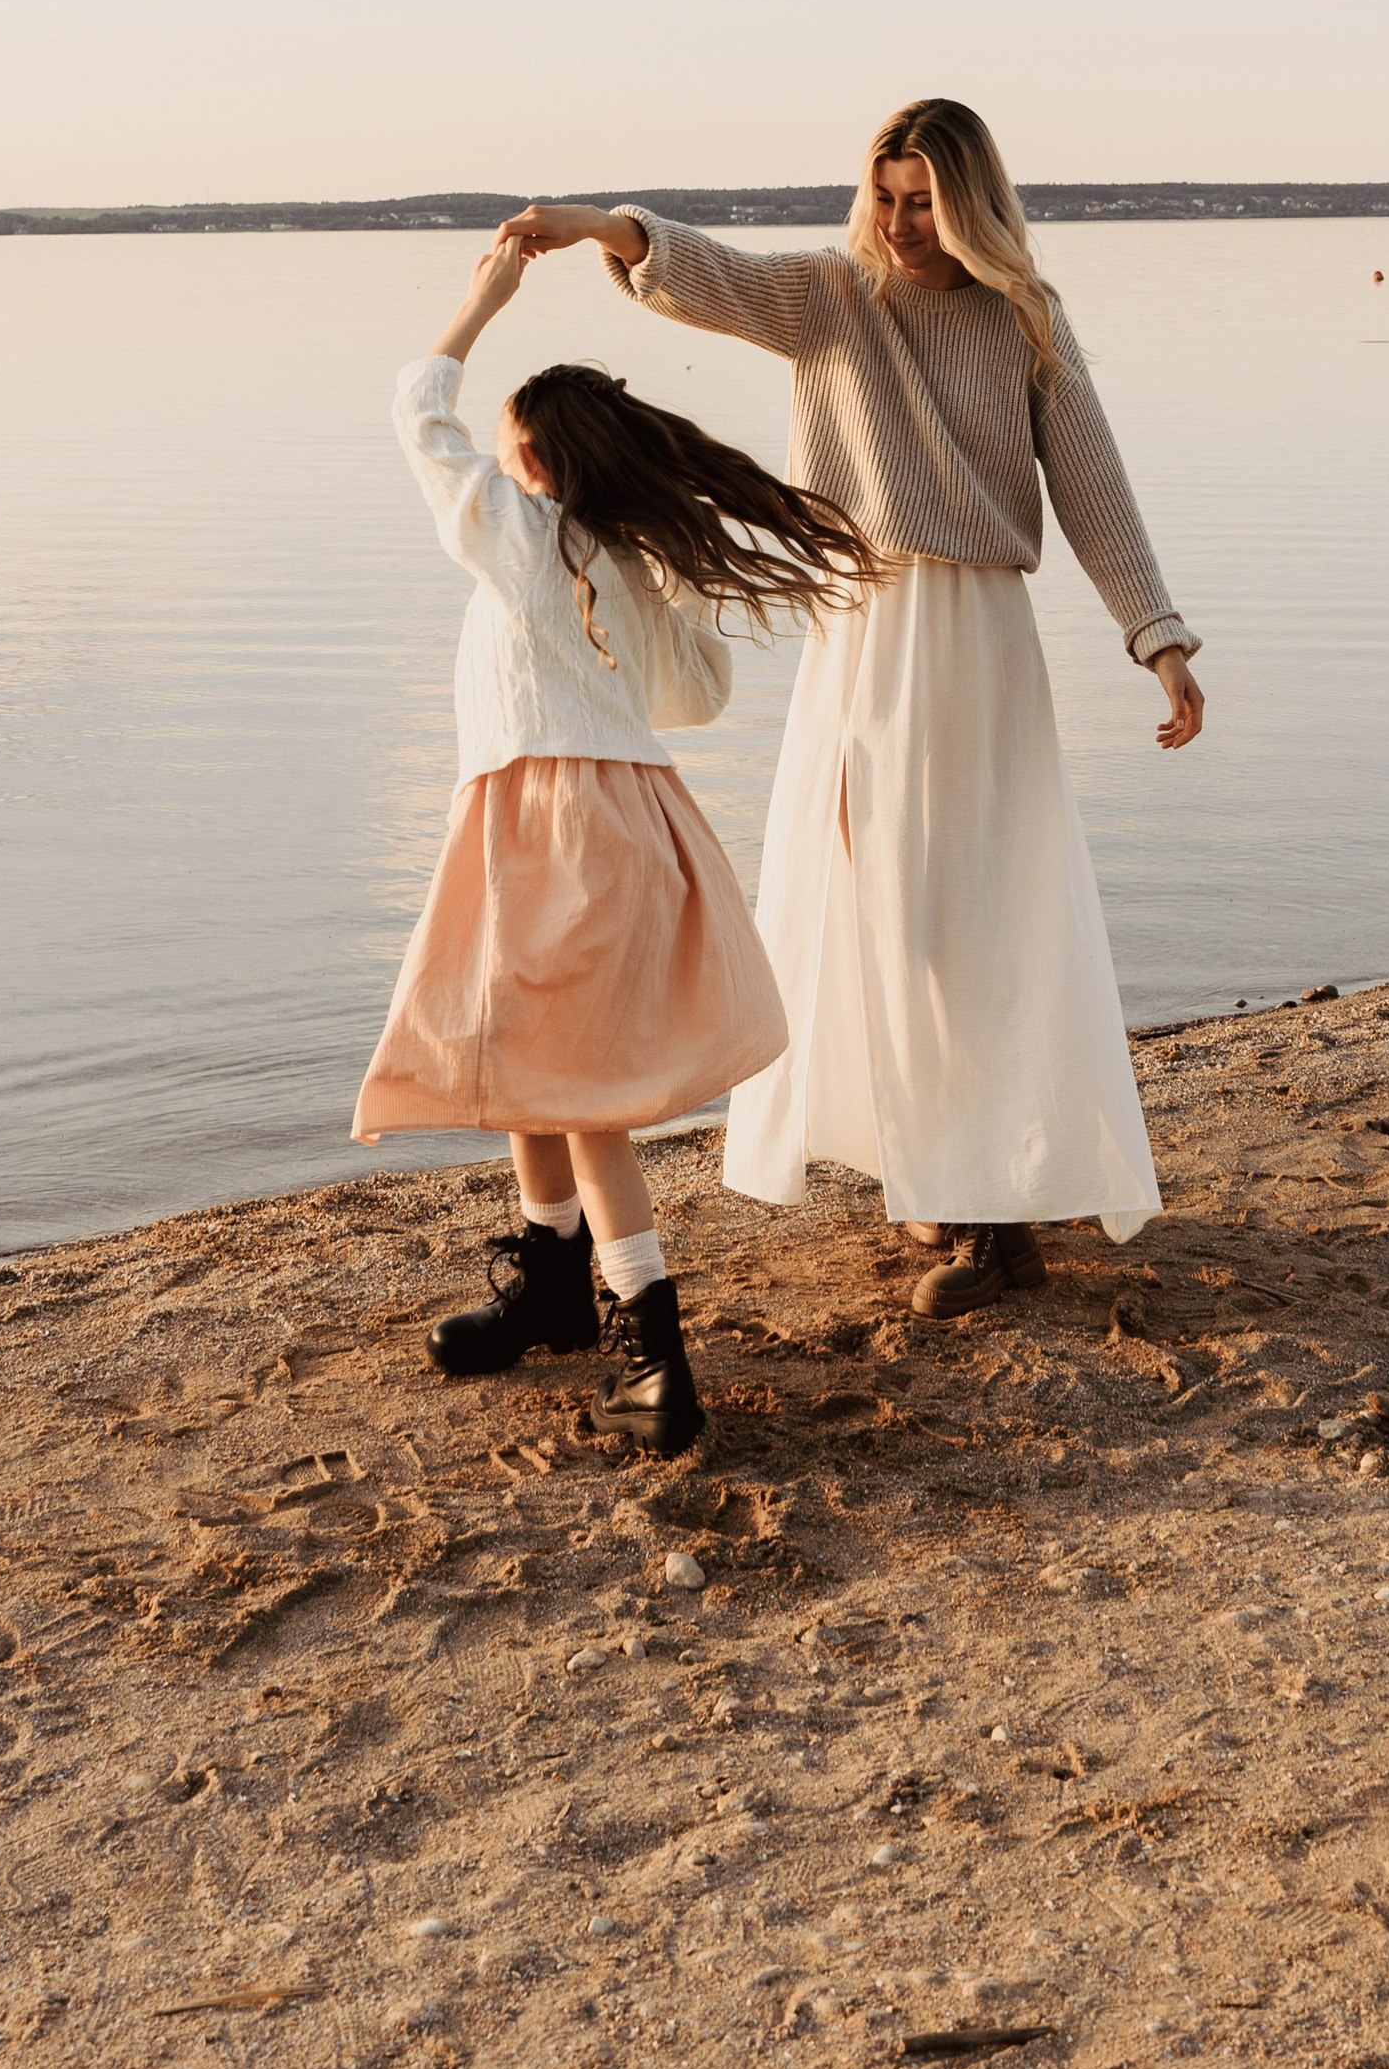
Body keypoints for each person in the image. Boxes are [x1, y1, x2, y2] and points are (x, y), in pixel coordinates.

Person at [498, 97, 1204, 1319]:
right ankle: (953, 1185)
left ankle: (986, 1212)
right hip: (858, 635)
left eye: (922, 201)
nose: (899, 223)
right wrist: (595, 225)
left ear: (972, 201)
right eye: (884, 196)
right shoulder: (833, 295)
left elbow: (1092, 481)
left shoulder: (1024, 319)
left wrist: (1157, 639)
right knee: (869, 908)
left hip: (973, 639)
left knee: (966, 917)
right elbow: (706, 274)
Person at [353, 236, 883, 1453]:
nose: (491, 456)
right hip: (626, 824)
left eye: (505, 443)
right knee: (527, 1059)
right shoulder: (625, 565)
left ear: (531, 459)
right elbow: (693, 699)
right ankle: (552, 1284)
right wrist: (658, 588)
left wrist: (485, 296)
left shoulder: (516, 530)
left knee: (578, 1092)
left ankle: (654, 1340)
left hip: (549, 829)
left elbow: (411, 406)